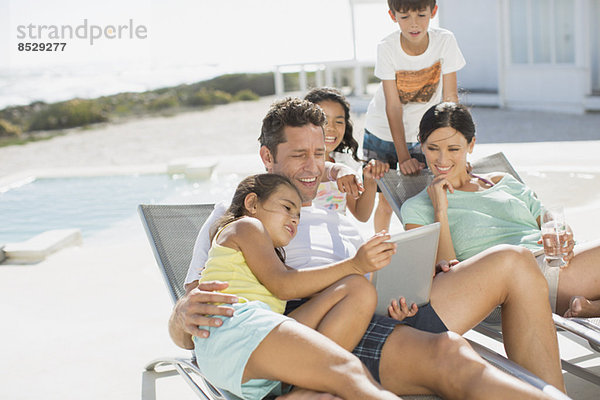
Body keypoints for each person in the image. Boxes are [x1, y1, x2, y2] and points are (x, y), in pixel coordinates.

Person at [171, 97, 565, 399]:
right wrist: (182, 314)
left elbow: (369, 263)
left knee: (514, 261)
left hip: (382, 302)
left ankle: (554, 393)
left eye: (320, 154)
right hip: (316, 324)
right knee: (452, 355)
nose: (312, 168)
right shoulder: (242, 213)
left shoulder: (336, 203)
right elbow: (192, 325)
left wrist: (406, 282)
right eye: (298, 156)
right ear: (266, 157)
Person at [195, 173, 399, 399]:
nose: (295, 219)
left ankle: (301, 394)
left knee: (357, 289)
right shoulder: (245, 226)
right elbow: (284, 286)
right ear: (252, 203)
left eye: (299, 215)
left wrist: (383, 289)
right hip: (232, 334)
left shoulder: (270, 259)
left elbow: (317, 285)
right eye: (287, 208)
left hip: (253, 347)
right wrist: (354, 263)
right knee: (347, 371)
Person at [401, 102, 600, 318]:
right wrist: (440, 210)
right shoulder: (416, 208)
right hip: (519, 279)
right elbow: (448, 279)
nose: (442, 159)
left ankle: (591, 308)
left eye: (453, 149)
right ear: (421, 145)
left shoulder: (503, 181)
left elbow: (546, 217)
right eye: (432, 148)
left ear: (471, 145)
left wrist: (562, 231)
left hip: (557, 262)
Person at [362, 0, 465, 233]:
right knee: (387, 201)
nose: (414, 24)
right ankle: (382, 250)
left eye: (421, 14)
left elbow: (450, 99)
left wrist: (455, 145)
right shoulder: (387, 47)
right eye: (405, 17)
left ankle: (429, 251)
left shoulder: (445, 41)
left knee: (427, 196)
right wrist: (403, 156)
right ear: (393, 15)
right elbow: (393, 106)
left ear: (433, 12)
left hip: (424, 132)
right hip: (383, 131)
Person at [305, 87, 389, 222]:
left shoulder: (344, 163)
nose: (331, 128)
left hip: (340, 238)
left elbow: (362, 215)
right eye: (323, 121)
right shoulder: (296, 165)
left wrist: (370, 180)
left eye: (338, 122)